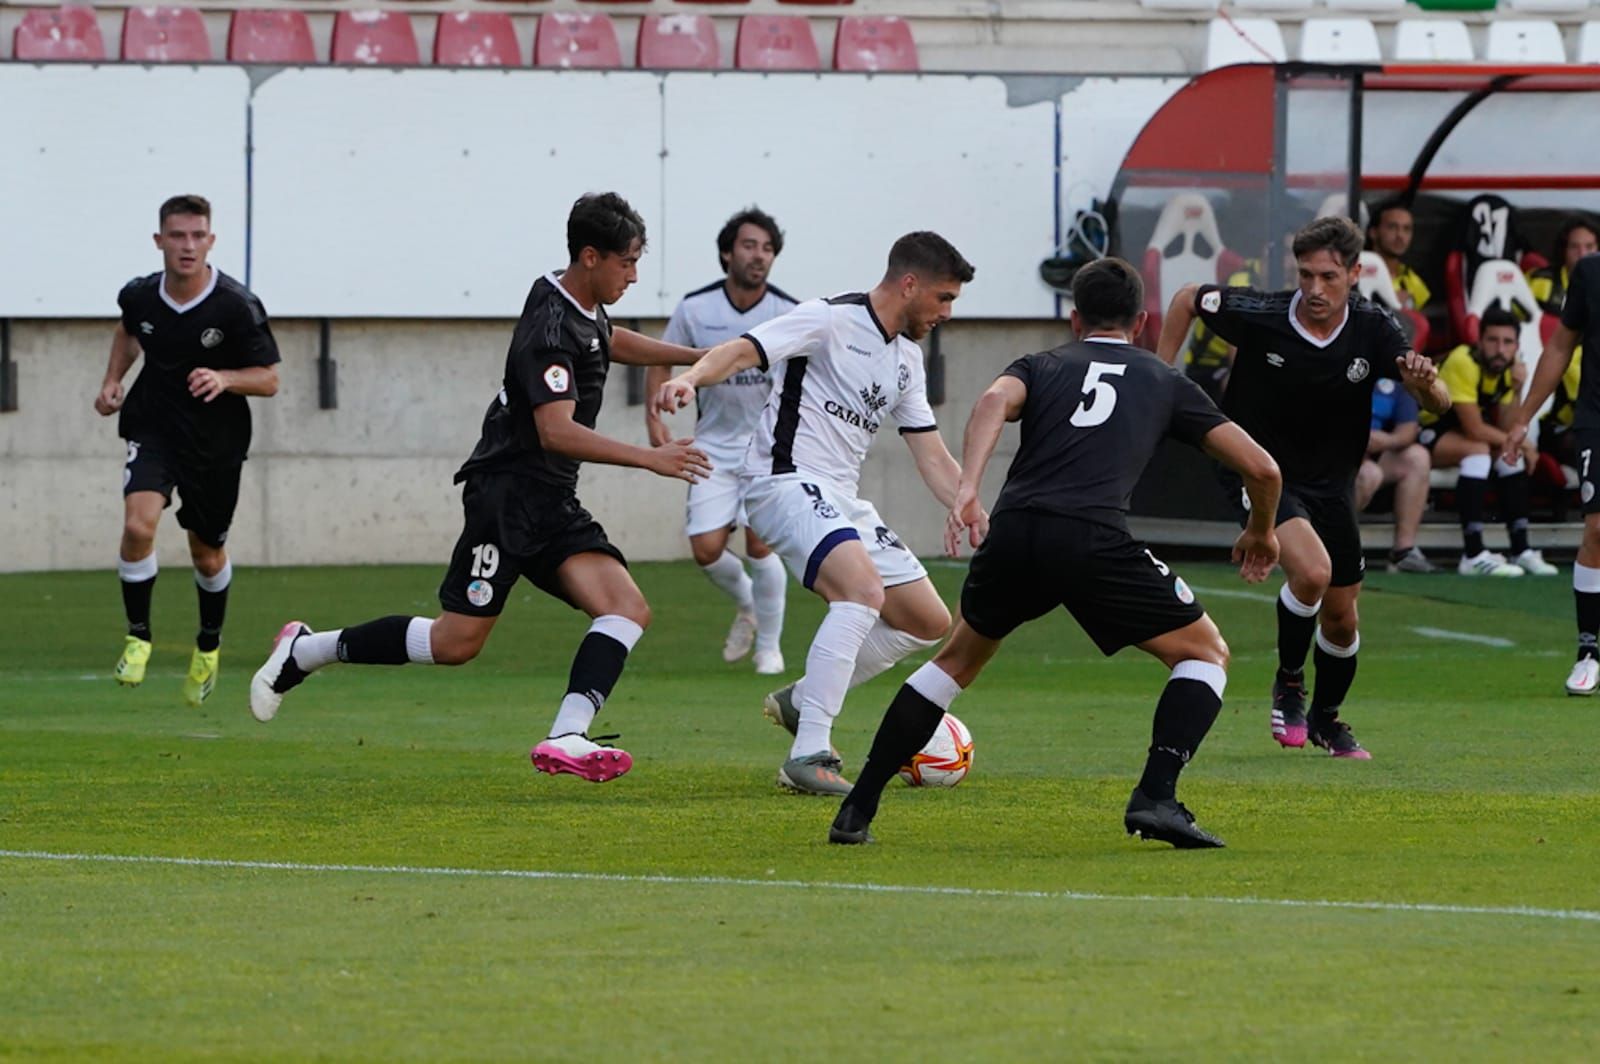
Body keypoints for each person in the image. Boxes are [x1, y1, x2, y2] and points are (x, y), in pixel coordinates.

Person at [250, 192, 712, 782]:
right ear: (591, 257)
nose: (635, 274)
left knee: (626, 607)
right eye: (628, 262)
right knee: (456, 643)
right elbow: (554, 430)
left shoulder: (575, 299)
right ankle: (306, 651)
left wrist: (700, 358)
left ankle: (567, 734)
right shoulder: (548, 327)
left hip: (550, 499)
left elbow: (609, 339)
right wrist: (650, 459)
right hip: (506, 496)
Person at [826, 257, 1282, 848]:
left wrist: (968, 488)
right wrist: (1262, 530)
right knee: (1205, 654)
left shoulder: (1040, 364)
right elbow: (1263, 469)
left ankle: (858, 806)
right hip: (1093, 537)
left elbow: (992, 401)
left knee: (955, 661)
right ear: (1141, 322)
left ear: (1073, 320)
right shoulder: (1163, 380)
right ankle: (1157, 797)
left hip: (1014, 532)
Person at [654, 232, 973, 796]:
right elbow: (742, 349)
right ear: (910, 284)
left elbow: (930, 453)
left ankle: (803, 699)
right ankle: (809, 754)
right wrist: (689, 378)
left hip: (840, 498)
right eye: (944, 298)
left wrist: (970, 505)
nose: (947, 312)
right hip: (783, 481)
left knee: (927, 619)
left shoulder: (906, 359)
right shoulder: (827, 319)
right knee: (861, 593)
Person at [1157, 216, 1450, 760]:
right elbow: (1187, 299)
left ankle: (1327, 720)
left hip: (1330, 482)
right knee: (1312, 572)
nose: (1315, 289)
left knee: (1342, 616)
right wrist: (1158, 377)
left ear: (1355, 273)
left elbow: (1441, 403)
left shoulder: (1375, 329)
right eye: (1306, 275)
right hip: (1259, 470)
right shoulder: (1263, 315)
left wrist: (1426, 386)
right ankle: (1289, 683)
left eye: (1329, 277)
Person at [94, 194, 281, 706]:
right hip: (153, 427)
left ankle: (208, 646)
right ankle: (138, 637)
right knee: (138, 525)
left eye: (198, 236)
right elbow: (129, 332)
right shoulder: (139, 296)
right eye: (177, 236)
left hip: (215, 446)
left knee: (206, 550)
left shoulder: (236, 305)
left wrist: (224, 377)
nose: (188, 246)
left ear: (211, 241)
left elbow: (268, 380)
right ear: (160, 241)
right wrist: (114, 380)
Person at [642, 207, 796, 675]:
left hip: (766, 448)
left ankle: (769, 649)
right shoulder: (695, 308)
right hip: (713, 444)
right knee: (706, 549)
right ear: (727, 252)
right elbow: (660, 360)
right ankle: (749, 603)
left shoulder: (787, 312)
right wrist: (654, 417)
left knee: (760, 545)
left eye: (768, 249)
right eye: (750, 246)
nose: (759, 256)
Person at [1504, 250, 1600, 695]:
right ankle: (1588, 653)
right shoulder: (1591, 270)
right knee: (1598, 530)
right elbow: (1561, 343)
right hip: (1597, 418)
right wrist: (1523, 416)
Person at [1417, 305, 1556, 577]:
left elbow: (1506, 426)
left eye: (1507, 342)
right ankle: (1473, 553)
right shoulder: (1463, 362)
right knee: (1479, 450)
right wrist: (1524, 444)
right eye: (1492, 340)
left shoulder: (1506, 370)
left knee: (1507, 456)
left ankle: (1520, 549)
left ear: (1517, 346)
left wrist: (1516, 390)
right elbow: (1475, 429)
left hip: (1458, 436)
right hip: (1422, 432)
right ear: (1479, 341)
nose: (1500, 349)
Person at [1355, 379, 1436, 573]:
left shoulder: (1396, 377)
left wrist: (1385, 440)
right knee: (1368, 474)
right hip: (1331, 456)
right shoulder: (1337, 364)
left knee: (1417, 458)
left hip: (1374, 455)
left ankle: (1403, 552)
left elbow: (1407, 431)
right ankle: (1328, 544)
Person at [1528, 216, 1599, 316]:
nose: (1582, 254)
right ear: (1563, 250)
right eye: (1574, 247)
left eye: (1589, 246)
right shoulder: (1540, 280)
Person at [1368, 199, 1430, 312]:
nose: (1400, 235)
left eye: (1406, 229)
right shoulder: (1357, 272)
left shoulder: (1413, 280)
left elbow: (1420, 326)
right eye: (1392, 227)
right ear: (1373, 232)